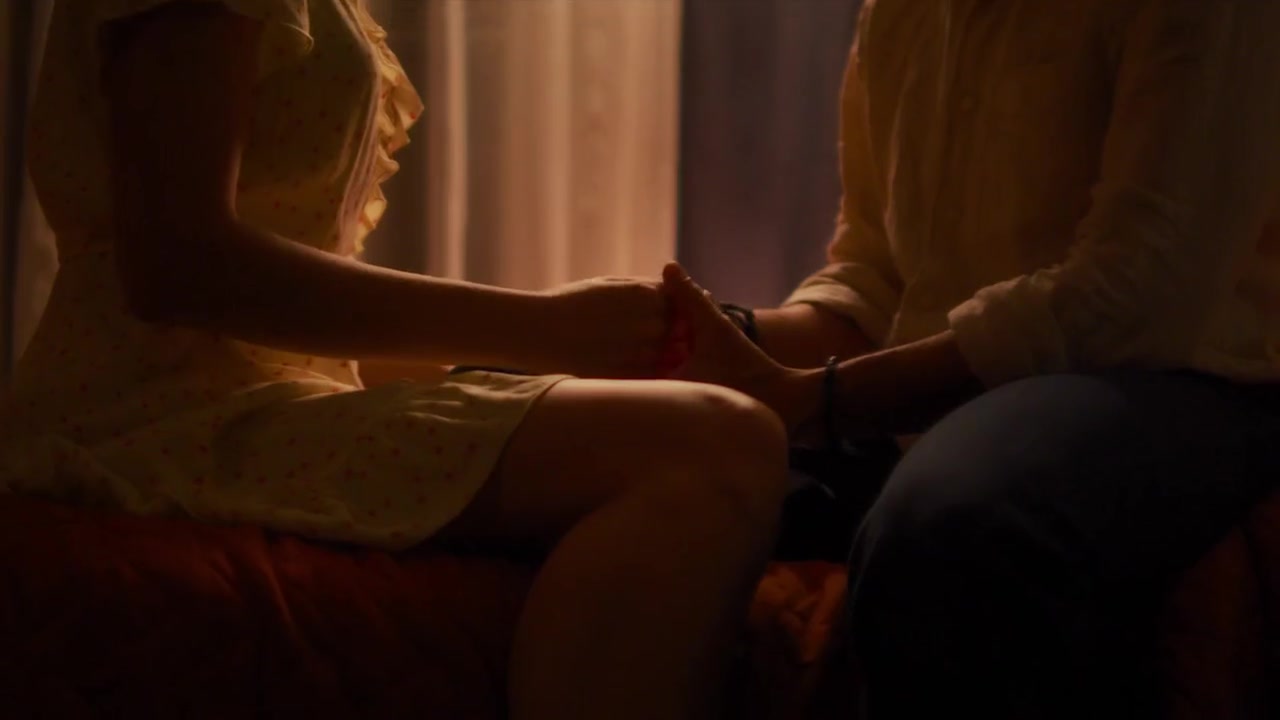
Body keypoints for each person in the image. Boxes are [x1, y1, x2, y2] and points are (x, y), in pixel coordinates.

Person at [0, 2, 794, 719]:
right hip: (152, 421)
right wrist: (543, 328)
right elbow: (180, 267)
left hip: (239, 402)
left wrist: (545, 360)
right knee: (715, 443)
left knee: (700, 430)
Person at [655, 1, 1280, 717]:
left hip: (1191, 371)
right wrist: (719, 340)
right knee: (683, 467)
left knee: (952, 528)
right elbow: (875, 272)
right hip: (961, 379)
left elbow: (1138, 294)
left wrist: (823, 399)